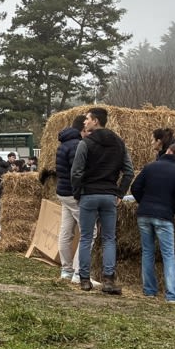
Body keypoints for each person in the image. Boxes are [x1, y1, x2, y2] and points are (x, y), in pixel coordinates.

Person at [70, 107, 134, 295]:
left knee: (86, 237)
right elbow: (129, 171)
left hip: (89, 194)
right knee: (109, 239)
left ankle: (84, 279)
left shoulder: (86, 143)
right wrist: (120, 193)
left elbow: (76, 172)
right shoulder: (119, 143)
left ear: (96, 121)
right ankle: (108, 279)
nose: (85, 122)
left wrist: (78, 192)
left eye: (88, 119)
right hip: (109, 195)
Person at [130, 140, 175, 304]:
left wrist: (143, 202)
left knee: (147, 252)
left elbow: (135, 187)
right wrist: (174, 210)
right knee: (168, 255)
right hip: (164, 216)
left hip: (144, 214)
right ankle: (172, 295)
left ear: (168, 151)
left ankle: (149, 290)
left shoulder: (150, 166)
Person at [54, 115, 86, 279]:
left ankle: (66, 270)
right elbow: (77, 172)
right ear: (83, 128)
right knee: (89, 232)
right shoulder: (77, 145)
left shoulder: (64, 143)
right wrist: (81, 192)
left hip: (63, 192)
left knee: (66, 231)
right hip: (73, 194)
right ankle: (79, 271)